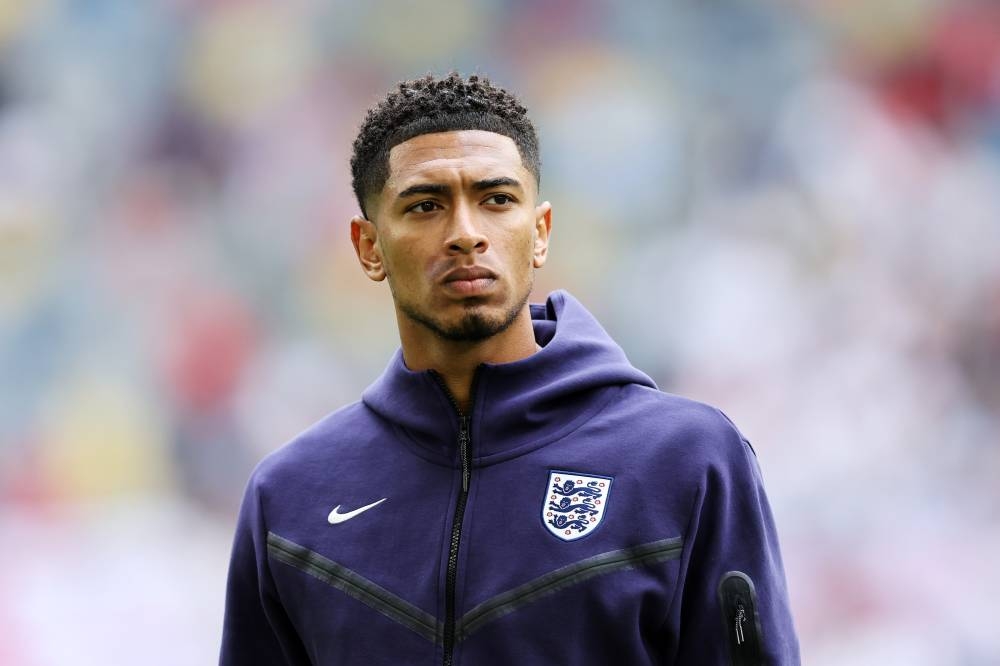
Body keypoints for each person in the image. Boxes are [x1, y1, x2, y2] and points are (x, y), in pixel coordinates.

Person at [220, 72, 800, 665]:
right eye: (425, 206)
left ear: (540, 233)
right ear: (369, 247)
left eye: (496, 200)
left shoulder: (686, 460)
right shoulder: (290, 499)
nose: (466, 234)